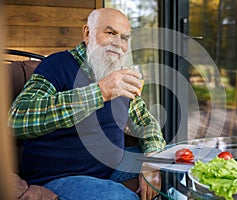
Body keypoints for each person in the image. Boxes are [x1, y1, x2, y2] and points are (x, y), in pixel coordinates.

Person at [9, 8, 166, 200]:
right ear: (87, 33)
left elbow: (145, 123)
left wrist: (152, 158)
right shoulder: (56, 65)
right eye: (110, 33)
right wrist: (100, 92)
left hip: (113, 166)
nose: (118, 43)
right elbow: (18, 118)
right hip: (61, 175)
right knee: (119, 198)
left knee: (173, 168)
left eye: (125, 38)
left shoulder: (120, 74)